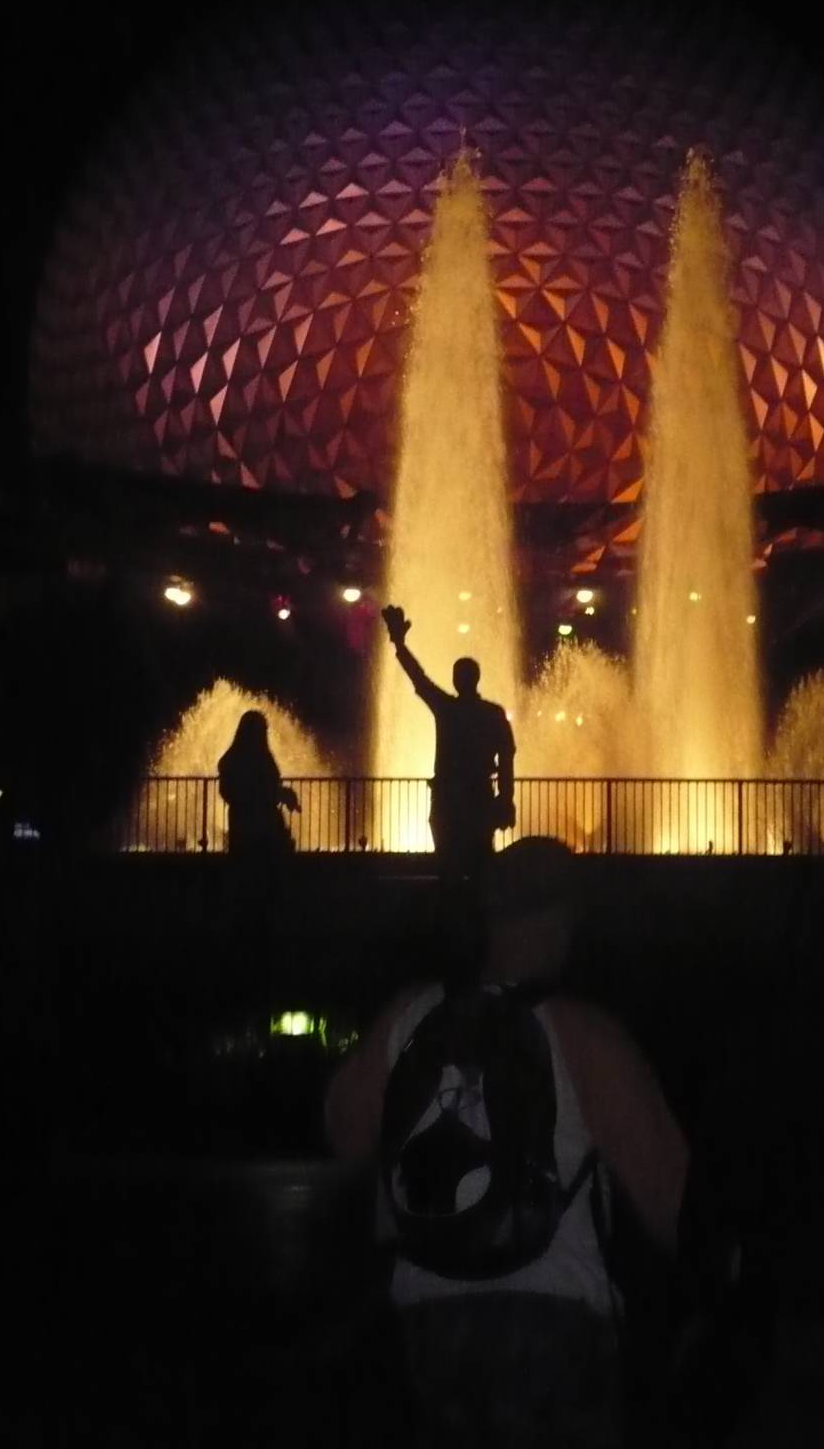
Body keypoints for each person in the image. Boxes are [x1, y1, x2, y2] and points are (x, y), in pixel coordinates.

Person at [325, 837, 688, 1447]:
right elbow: (667, 1191)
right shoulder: (581, 1032)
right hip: (558, 1322)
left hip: (428, 1323)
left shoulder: (407, 1017)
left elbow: (343, 1134)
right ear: (563, 919)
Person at [381, 603, 515, 880]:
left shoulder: (447, 709)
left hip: (447, 799)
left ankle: (451, 914)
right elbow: (507, 760)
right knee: (480, 865)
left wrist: (399, 643)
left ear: (457, 680)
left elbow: (420, 679)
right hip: (478, 797)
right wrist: (505, 798)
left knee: (448, 867)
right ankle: (476, 916)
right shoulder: (492, 714)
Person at [217, 710, 300, 860]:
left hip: (247, 824)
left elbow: (228, 791)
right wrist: (278, 794)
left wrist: (281, 794)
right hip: (257, 825)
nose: (264, 734)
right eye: (261, 729)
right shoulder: (257, 758)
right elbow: (262, 788)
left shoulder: (233, 759)